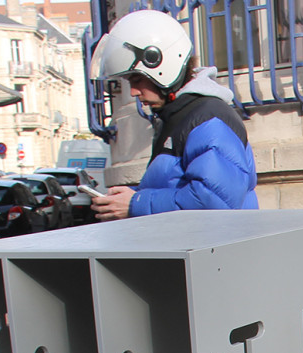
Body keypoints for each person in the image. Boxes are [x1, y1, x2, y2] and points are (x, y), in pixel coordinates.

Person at [90, 9, 258, 220]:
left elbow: (214, 202)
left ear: (159, 65)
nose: (133, 92)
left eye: (136, 80)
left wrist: (136, 203)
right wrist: (128, 197)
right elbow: (178, 186)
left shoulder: (208, 118)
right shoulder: (181, 116)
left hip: (213, 250)